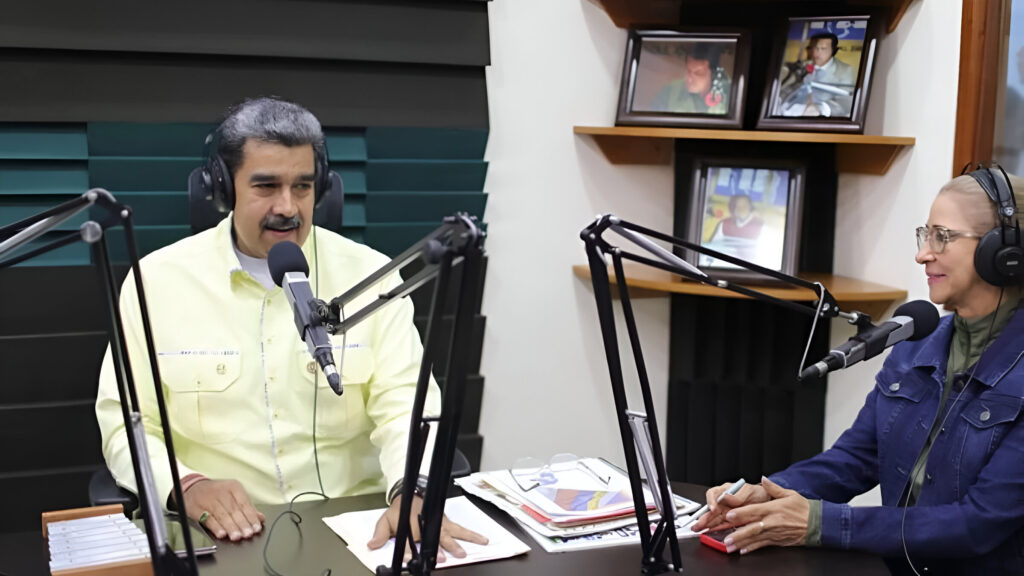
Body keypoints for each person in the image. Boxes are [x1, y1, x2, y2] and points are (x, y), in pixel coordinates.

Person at [94, 97, 486, 557]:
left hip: (359, 532)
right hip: (222, 539)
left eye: (302, 186)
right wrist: (186, 485)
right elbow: (124, 423)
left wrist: (413, 489)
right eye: (266, 186)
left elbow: (408, 408)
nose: (288, 207)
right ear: (222, 188)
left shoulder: (371, 275)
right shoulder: (155, 283)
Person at [692, 169, 1024, 575]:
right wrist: (766, 493)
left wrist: (818, 523)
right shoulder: (917, 344)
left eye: (943, 237)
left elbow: (977, 523)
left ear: (1003, 254)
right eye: (926, 236)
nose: (923, 254)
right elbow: (853, 460)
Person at [776, 32, 857, 118]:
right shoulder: (800, 67)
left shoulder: (845, 70)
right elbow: (786, 89)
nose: (816, 52)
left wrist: (821, 108)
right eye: (814, 48)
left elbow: (846, 102)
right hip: (792, 112)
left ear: (833, 50)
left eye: (823, 48)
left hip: (821, 118)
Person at [650, 43, 732, 115]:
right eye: (688, 70)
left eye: (698, 73)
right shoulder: (669, 91)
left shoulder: (730, 93)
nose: (689, 79)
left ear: (713, 74)